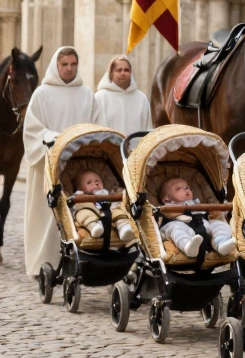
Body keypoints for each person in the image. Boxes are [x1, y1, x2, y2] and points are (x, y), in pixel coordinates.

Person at [22, 47, 95, 277]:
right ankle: (43, 262)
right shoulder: (41, 94)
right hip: (48, 165)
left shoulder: (87, 95)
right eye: (64, 64)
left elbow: (96, 127)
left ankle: (79, 262)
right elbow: (32, 129)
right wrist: (53, 138)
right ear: (56, 65)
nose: (69, 69)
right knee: (47, 216)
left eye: (73, 64)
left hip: (78, 167)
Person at [158, 177, 236, 258]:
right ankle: (187, 246)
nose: (186, 190)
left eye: (187, 187)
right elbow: (165, 216)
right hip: (182, 228)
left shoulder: (197, 203)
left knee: (218, 224)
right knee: (175, 227)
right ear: (166, 199)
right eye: (178, 188)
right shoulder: (167, 207)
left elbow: (211, 214)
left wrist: (213, 213)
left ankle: (221, 242)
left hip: (203, 225)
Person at [91, 55, 152, 136]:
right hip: (108, 147)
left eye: (126, 70)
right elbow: (95, 128)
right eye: (119, 70)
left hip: (137, 147)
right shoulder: (100, 98)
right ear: (111, 73)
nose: (123, 73)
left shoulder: (142, 98)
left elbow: (148, 127)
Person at [72, 170, 136, 243]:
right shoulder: (80, 195)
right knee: (82, 213)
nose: (96, 183)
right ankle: (93, 226)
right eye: (89, 182)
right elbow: (74, 203)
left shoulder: (106, 192)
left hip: (110, 212)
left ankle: (123, 227)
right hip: (93, 213)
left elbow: (118, 194)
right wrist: (79, 196)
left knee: (118, 210)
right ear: (79, 188)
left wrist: (122, 193)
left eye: (97, 180)